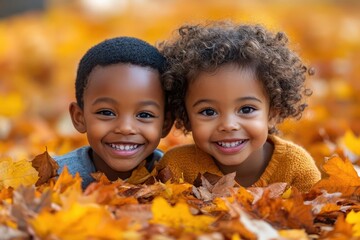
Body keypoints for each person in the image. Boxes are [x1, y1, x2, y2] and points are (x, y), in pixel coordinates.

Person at [157, 21, 321, 192]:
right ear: (187, 117)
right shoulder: (176, 168)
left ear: (273, 113)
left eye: (246, 109)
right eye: (208, 111)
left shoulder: (296, 169)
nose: (228, 125)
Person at [54, 37, 173, 189]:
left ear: (165, 123)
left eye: (144, 115)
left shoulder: (174, 176)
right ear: (79, 118)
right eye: (106, 112)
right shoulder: (55, 177)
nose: (125, 128)